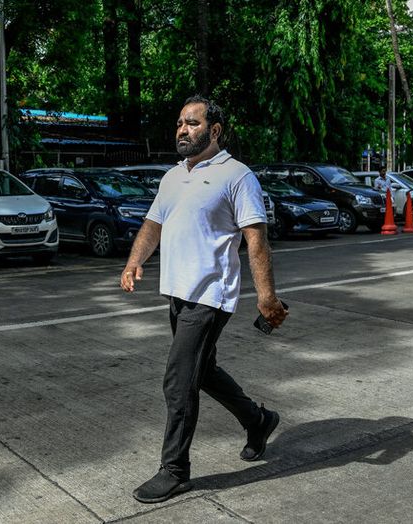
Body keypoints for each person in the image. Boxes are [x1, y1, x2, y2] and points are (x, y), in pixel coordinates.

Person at [121, 95, 288, 504]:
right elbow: (153, 224)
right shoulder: (172, 176)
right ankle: (258, 420)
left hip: (210, 295)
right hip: (177, 292)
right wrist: (134, 261)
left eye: (192, 123)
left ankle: (175, 470)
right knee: (203, 371)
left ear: (214, 130)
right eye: (180, 123)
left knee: (178, 381)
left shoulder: (237, 176)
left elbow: (256, 239)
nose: (182, 129)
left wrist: (266, 296)